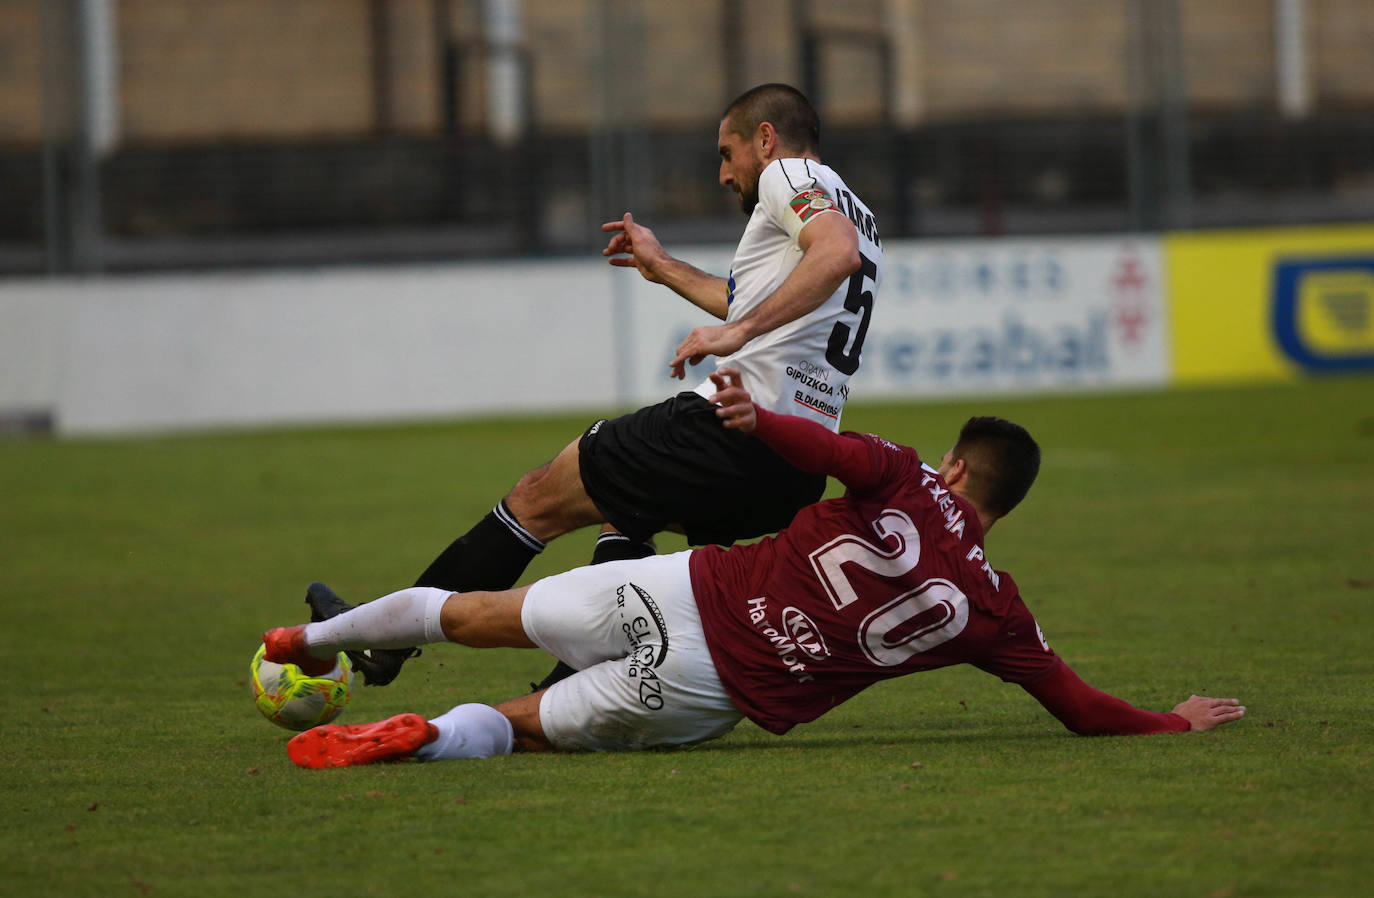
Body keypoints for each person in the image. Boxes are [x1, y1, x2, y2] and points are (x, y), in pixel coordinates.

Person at [263, 368, 1245, 768]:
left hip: (680, 585)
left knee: (473, 611)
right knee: (524, 730)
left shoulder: (902, 475)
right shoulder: (996, 611)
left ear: (954, 466)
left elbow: (833, 451)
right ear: (1003, 507)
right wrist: (1172, 719)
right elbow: (1079, 706)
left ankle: (307, 641)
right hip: (709, 686)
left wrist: (755, 418)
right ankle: (428, 736)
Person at [321, 83, 885, 690]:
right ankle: (566, 693)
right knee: (627, 523)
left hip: (729, 428)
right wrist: (664, 266)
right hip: (793, 465)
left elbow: (835, 257)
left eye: (727, 153)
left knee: (538, 496)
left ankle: (387, 641)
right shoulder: (859, 210)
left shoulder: (788, 176)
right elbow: (774, 290)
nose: (724, 174)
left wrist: (738, 332)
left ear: (766, 139)